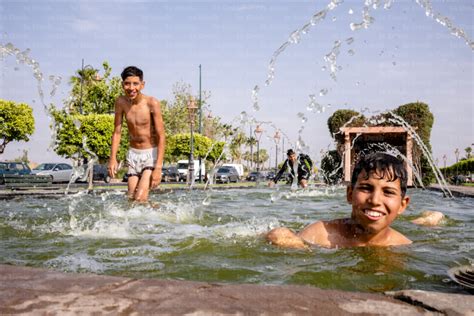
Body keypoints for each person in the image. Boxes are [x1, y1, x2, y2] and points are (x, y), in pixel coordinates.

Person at [266, 152, 412, 248]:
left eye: (388, 192)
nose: (375, 200)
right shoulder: (320, 235)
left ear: (402, 205)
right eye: (366, 188)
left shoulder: (404, 246)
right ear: (349, 194)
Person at [108, 66, 165, 202]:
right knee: (131, 199)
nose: (131, 88)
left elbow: (161, 136)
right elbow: (117, 132)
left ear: (142, 85)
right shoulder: (120, 102)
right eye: (127, 83)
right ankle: (156, 214)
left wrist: (158, 167)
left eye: (135, 84)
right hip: (133, 155)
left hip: (150, 154)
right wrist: (112, 158)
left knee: (140, 198)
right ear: (123, 85)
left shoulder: (152, 103)